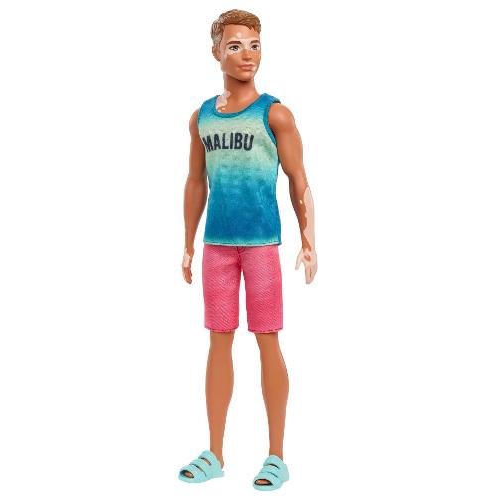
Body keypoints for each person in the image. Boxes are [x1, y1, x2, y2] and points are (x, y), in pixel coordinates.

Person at [179, 9, 317, 491]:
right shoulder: (202, 117)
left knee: (267, 340)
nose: (247, 55)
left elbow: (298, 179)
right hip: (217, 247)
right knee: (218, 342)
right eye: (235, 46)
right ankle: (215, 452)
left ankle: (276, 455)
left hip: (261, 247)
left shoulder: (274, 114)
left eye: (254, 45)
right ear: (216, 52)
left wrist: (309, 240)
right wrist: (187, 243)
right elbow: (194, 181)